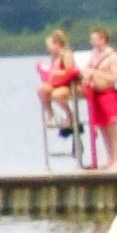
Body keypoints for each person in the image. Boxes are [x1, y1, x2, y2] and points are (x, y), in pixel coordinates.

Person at [40, 31, 86, 160]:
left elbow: (70, 71)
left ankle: (70, 116)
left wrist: (56, 73)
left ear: (57, 44)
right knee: (41, 89)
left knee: (57, 94)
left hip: (71, 85)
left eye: (50, 45)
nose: (48, 48)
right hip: (58, 84)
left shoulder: (66, 55)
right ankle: (51, 114)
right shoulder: (54, 57)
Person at [88, 30, 117, 176]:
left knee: (112, 130)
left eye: (95, 39)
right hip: (96, 95)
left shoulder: (112, 56)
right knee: (103, 129)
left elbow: (115, 77)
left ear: (103, 39)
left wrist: (95, 73)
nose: (92, 42)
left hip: (108, 95)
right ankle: (109, 159)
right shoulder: (93, 56)